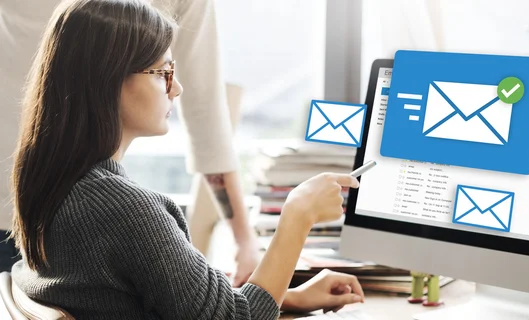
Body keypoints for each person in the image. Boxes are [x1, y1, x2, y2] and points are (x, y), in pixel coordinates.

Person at [8, 0, 365, 319]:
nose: (176, 88)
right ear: (108, 80)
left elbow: (175, 301)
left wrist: (286, 297)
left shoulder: (55, 186)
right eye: (162, 73)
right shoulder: (123, 210)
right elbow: (233, 318)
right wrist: (298, 214)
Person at [0, 0, 261, 285]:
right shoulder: (132, 214)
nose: (175, 88)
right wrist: (268, 230)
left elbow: (206, 116)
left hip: (33, 202)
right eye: (162, 73)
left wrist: (242, 240)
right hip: (46, 216)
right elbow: (206, 115)